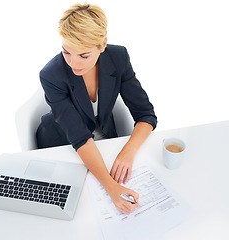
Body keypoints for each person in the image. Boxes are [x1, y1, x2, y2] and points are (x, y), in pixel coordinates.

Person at [36, 3, 157, 214]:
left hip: (101, 136)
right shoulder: (51, 74)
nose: (74, 63)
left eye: (83, 55)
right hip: (61, 142)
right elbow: (79, 137)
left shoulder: (118, 58)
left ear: (102, 45)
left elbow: (145, 114)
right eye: (66, 52)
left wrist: (127, 152)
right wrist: (112, 188)